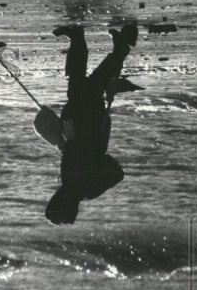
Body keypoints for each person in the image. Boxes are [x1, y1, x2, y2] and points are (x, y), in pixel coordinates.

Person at [45, 22, 138, 224]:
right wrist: (94, 157)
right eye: (55, 201)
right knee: (81, 85)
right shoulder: (87, 190)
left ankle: (110, 48)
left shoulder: (74, 187)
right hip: (91, 131)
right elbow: (117, 174)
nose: (54, 196)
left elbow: (72, 154)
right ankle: (88, 41)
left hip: (79, 130)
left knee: (86, 85)